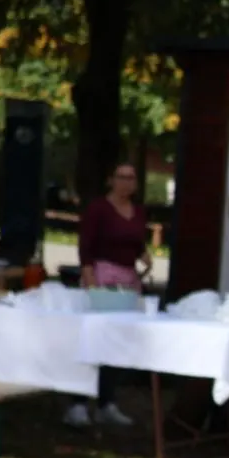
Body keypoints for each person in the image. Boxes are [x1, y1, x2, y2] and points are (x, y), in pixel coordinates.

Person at [64, 162, 151, 428]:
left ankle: (107, 402)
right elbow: (86, 246)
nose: (126, 183)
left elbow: (136, 242)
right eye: (121, 177)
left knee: (118, 341)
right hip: (102, 277)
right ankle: (78, 403)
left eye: (131, 178)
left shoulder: (137, 212)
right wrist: (89, 277)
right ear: (111, 180)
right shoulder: (98, 209)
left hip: (127, 281)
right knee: (93, 339)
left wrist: (144, 255)